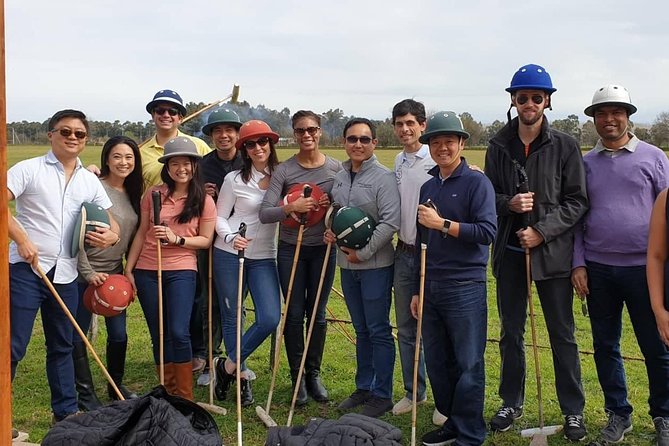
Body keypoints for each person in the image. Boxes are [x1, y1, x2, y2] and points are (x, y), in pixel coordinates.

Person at [484, 63, 589, 440]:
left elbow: (577, 201)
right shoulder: (497, 144)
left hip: (552, 254)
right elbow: (488, 197)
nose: (529, 102)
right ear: (513, 100)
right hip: (510, 253)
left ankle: (573, 410)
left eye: (536, 97)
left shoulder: (564, 145)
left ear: (547, 101)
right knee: (511, 332)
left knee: (562, 334)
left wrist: (542, 232)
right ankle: (510, 401)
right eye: (522, 96)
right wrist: (508, 204)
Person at [573, 85, 669, 445]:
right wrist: (578, 263)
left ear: (628, 116)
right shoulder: (585, 164)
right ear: (594, 120)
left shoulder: (654, 157)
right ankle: (618, 414)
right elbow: (578, 219)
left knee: (656, 346)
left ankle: (664, 415)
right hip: (598, 268)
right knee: (605, 345)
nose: (609, 120)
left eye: (616, 113)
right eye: (601, 114)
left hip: (646, 270)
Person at [8, 109, 117, 423]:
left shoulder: (88, 180)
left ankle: (66, 415)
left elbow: (113, 225)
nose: (72, 137)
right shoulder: (28, 169)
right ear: (50, 134)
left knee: (64, 345)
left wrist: (110, 235)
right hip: (25, 271)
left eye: (79, 134)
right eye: (65, 131)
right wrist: (23, 240)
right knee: (14, 345)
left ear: (85, 140)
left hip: (66, 274)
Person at [410, 111, 496, 446]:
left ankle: (471, 434)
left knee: (468, 362)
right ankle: (451, 421)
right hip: (430, 285)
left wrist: (443, 223)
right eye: (435, 141)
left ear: (461, 143)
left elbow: (487, 232)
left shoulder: (478, 182)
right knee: (437, 359)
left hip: (465, 285)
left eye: (449, 141)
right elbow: (422, 241)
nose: (442, 147)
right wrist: (419, 289)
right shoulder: (428, 186)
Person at [259, 110, 342, 405]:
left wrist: (330, 202)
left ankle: (313, 374)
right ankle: (297, 378)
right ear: (294, 134)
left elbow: (346, 202)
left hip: (322, 249)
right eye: (300, 130)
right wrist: (292, 206)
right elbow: (265, 212)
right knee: (294, 314)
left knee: (317, 315)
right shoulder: (284, 171)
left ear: (320, 132)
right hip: (290, 248)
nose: (306, 135)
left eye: (312, 129)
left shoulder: (335, 169)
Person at [125, 137, 216, 401]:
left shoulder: (203, 200)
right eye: (174, 163)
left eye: (186, 163)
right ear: (167, 167)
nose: (181, 169)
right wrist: (129, 269)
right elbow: (142, 232)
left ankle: (184, 397)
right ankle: (168, 391)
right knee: (159, 332)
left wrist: (177, 239)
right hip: (147, 269)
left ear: (194, 165)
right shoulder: (154, 194)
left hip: (182, 270)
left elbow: (206, 240)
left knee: (178, 330)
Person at [326, 118, 400, 418]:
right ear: (344, 142)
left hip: (376, 266)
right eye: (352, 139)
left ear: (374, 144)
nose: (358, 144)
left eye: (364, 139)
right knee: (361, 329)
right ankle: (364, 387)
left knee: (378, 329)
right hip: (347, 264)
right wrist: (330, 228)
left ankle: (382, 395)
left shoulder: (384, 178)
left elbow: (390, 222)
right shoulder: (340, 175)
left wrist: (364, 254)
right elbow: (335, 210)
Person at [212, 120, 282, 407]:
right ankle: (240, 376)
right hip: (229, 253)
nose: (257, 148)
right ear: (244, 149)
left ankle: (226, 367)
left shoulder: (282, 175)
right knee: (233, 316)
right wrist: (230, 237)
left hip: (264, 255)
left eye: (262, 141)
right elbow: (218, 216)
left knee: (269, 317)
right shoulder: (234, 180)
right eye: (250, 144)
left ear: (271, 144)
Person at [72, 136, 144, 411]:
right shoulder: (92, 187)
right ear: (106, 159)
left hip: (115, 275)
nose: (123, 162)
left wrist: (128, 272)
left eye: (129, 157)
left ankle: (116, 386)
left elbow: (132, 238)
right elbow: (75, 235)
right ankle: (85, 394)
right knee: (78, 335)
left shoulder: (135, 192)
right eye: (117, 156)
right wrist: (88, 272)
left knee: (119, 335)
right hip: (83, 275)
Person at [390, 99, 446, 426]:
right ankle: (414, 392)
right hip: (404, 251)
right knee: (406, 328)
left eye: (411, 122)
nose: (405, 129)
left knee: (435, 329)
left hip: (434, 253)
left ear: (423, 125)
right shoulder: (398, 159)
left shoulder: (435, 156)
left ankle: (444, 398)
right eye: (399, 123)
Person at [193, 107, 245, 383]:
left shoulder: (249, 161)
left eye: (229, 130)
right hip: (209, 242)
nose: (223, 135)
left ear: (238, 133)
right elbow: (189, 201)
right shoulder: (201, 165)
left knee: (236, 303)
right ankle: (210, 358)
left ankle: (237, 360)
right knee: (209, 299)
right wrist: (202, 194)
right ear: (212, 135)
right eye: (217, 131)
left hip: (244, 242)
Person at [141, 89, 211, 188]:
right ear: (153, 115)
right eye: (160, 111)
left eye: (172, 112)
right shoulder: (139, 153)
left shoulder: (199, 145)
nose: (166, 115)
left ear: (180, 118)